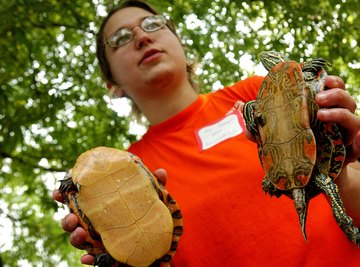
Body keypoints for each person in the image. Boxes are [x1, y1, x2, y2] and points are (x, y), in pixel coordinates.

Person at [53, 0, 360, 266]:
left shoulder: (258, 94)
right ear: (112, 84)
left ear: (179, 43)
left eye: (152, 24)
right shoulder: (125, 168)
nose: (142, 37)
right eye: (120, 38)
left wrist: (340, 162)